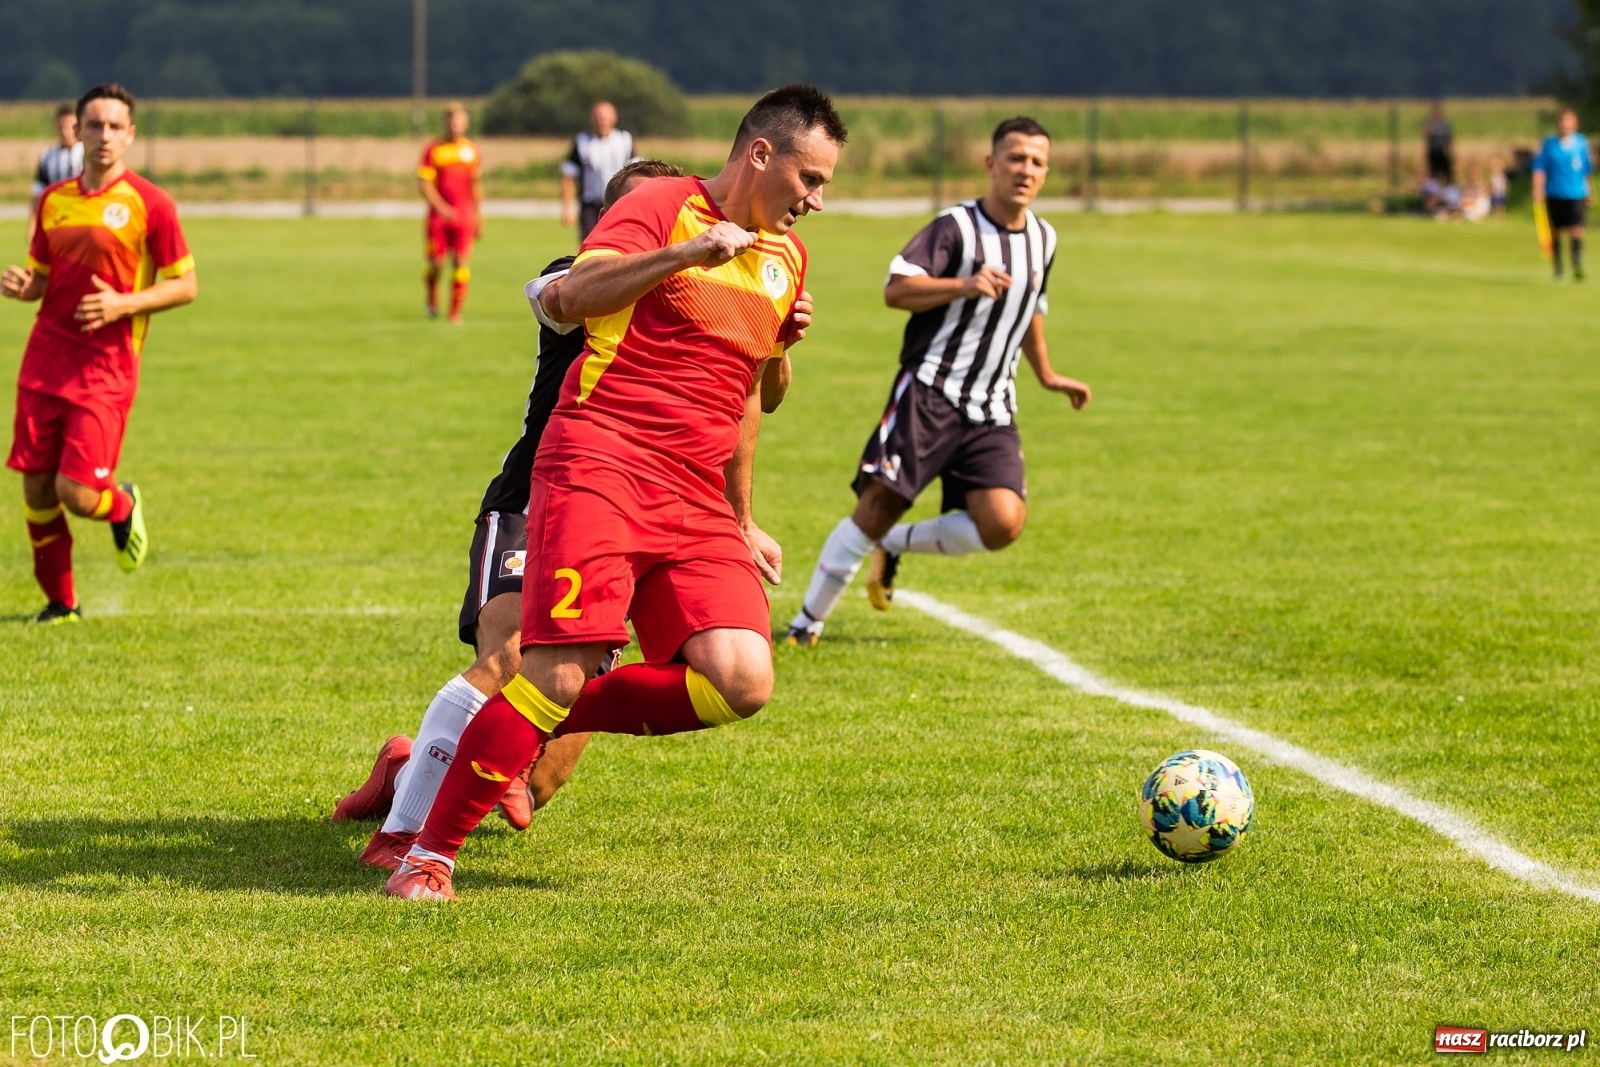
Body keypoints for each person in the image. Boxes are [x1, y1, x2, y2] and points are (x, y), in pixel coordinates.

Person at [385, 83, 845, 901]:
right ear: (760, 154)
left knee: (741, 680)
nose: (816, 200)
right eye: (809, 179)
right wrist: (682, 257)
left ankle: (566, 707)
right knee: (548, 672)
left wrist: (741, 514)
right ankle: (428, 856)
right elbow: (568, 296)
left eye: (826, 186)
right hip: (603, 463)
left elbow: (749, 398)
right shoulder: (666, 206)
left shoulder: (785, 258)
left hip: (696, 495)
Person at [784, 117, 1091, 648]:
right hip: (930, 394)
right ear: (991, 164)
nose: (1026, 170)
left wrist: (1046, 373)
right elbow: (896, 289)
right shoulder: (956, 228)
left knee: (1002, 523)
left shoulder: (1044, 238)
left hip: (993, 406)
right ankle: (806, 624)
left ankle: (894, 546)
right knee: (875, 509)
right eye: (1016, 158)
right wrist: (964, 285)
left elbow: (1031, 308)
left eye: (1038, 162)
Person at [3, 83, 196, 625]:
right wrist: (25, 285)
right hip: (44, 360)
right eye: (95, 124)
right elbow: (43, 277)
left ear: (130, 135)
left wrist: (122, 304)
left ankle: (123, 504)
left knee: (79, 493)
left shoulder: (150, 203)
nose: (104, 135)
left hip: (105, 370)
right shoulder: (54, 200)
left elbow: (185, 285)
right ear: (77, 131)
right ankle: (61, 602)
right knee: (37, 486)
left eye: (115, 126)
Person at [417, 102, 482, 322]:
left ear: (465, 123)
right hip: (438, 218)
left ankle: (455, 313)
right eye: (451, 120)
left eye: (460, 120)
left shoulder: (471, 150)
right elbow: (424, 184)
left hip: (464, 216)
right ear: (445, 122)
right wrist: (441, 208)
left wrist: (478, 216)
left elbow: (475, 186)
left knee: (461, 261)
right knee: (436, 263)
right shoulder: (433, 150)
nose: (455, 125)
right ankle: (432, 300)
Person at [560, 101, 636, 243]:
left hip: (618, 204)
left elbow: (638, 174)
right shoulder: (582, 142)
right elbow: (568, 175)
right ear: (592, 119)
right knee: (589, 245)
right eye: (599, 118)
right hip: (591, 205)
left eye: (606, 119)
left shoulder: (625, 141)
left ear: (614, 119)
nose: (602, 122)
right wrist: (567, 208)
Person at [1532, 108, 1593, 282]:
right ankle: (1558, 267)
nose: (1565, 125)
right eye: (1563, 121)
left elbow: (1586, 170)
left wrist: (1590, 190)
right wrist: (1537, 189)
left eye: (1569, 121)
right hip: (1555, 192)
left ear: (1575, 124)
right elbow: (1540, 168)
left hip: (1576, 193)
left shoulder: (1581, 143)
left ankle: (1577, 265)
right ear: (1558, 124)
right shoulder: (1549, 144)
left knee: (1576, 230)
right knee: (1556, 231)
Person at [28, 103, 82, 246]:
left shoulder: (86, 153)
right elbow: (38, 192)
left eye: (70, 127)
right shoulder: (48, 156)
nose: (65, 132)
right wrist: (33, 224)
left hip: (82, 219)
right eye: (61, 126)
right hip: (55, 221)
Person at [1425, 102, 1454, 185]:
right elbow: (1427, 133)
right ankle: (1434, 188)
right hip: (1434, 152)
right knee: (1434, 172)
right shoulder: (1430, 123)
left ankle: (1447, 187)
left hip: (1443, 152)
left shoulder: (1445, 124)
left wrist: (1450, 151)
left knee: (1446, 172)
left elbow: (1449, 138)